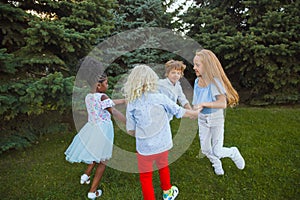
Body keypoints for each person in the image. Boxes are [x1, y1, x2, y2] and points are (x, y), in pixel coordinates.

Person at [123, 64, 199, 200]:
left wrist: (140, 136)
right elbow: (179, 111)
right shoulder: (160, 98)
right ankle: (167, 193)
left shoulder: (132, 103)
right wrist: (194, 113)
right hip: (162, 144)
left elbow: (130, 129)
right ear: (152, 80)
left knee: (145, 177)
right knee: (163, 167)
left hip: (144, 148)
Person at [65, 74, 126, 199]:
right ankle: (92, 192)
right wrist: (128, 122)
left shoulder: (89, 96)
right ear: (99, 85)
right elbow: (113, 111)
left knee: (95, 152)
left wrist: (123, 101)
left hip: (92, 128)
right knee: (103, 160)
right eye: (106, 83)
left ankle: (86, 175)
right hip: (103, 130)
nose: (107, 85)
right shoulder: (103, 96)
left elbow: (107, 103)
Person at [192, 49, 245, 175]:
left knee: (218, 151)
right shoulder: (197, 81)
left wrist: (204, 104)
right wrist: (196, 110)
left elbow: (222, 103)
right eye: (194, 64)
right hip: (203, 119)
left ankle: (233, 152)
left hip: (216, 119)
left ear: (207, 66)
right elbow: (197, 100)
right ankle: (216, 163)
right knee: (205, 149)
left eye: (197, 65)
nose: (194, 67)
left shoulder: (214, 82)